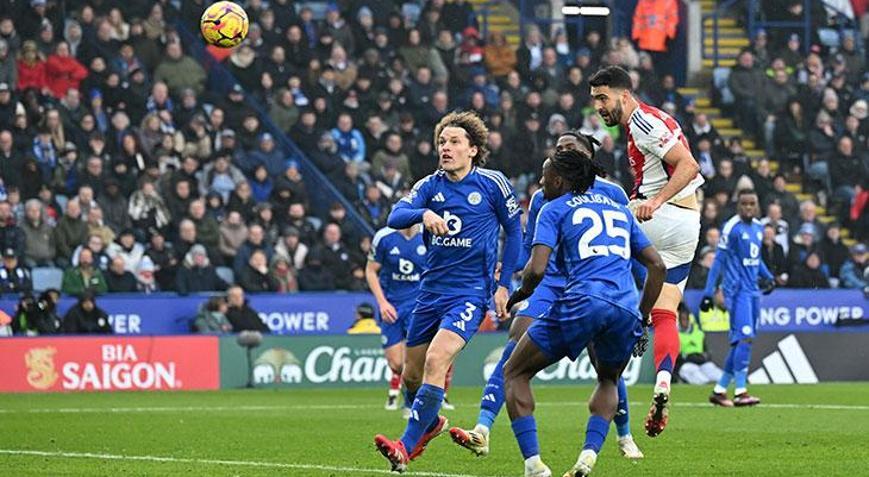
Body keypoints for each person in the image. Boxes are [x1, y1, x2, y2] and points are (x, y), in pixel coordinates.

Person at [449, 131, 644, 460]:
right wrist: (512, 279)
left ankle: (624, 435)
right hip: (552, 280)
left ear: (586, 156)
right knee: (516, 337)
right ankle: (482, 428)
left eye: (570, 149)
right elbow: (532, 251)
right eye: (559, 149)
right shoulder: (544, 196)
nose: (562, 153)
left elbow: (629, 248)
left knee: (603, 360)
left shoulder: (613, 193)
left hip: (591, 280)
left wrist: (638, 298)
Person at [498, 150, 665, 477]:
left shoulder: (552, 208)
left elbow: (537, 270)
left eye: (545, 175)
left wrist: (521, 293)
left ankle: (534, 467)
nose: (541, 181)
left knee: (514, 373)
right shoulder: (619, 210)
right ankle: (588, 457)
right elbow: (657, 266)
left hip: (584, 299)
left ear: (560, 180)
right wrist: (642, 316)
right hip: (626, 306)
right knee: (609, 379)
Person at [374, 111, 523, 472]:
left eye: (454, 142)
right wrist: (422, 214)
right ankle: (432, 423)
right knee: (411, 375)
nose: (446, 147)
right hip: (430, 291)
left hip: (470, 292)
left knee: (437, 360)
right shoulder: (429, 186)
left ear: (473, 149)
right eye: (442, 141)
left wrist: (504, 286)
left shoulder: (492, 184)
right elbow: (395, 215)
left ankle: (405, 448)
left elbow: (515, 233)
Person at [589, 65, 703, 437]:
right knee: (666, 311)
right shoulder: (652, 119)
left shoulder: (643, 122)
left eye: (603, 98)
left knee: (593, 230)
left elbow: (688, 164)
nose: (599, 107)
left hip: (660, 215)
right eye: (595, 100)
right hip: (688, 226)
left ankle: (607, 316)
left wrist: (654, 200)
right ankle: (664, 383)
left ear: (624, 94)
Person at [702, 190, 775, 408]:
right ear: (738, 206)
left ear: (758, 205)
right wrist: (708, 293)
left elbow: (756, 258)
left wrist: (768, 276)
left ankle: (719, 390)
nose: (748, 208)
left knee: (744, 340)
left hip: (752, 291)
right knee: (744, 338)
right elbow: (718, 262)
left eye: (752, 203)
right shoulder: (731, 227)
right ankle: (741, 391)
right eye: (744, 204)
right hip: (736, 291)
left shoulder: (759, 227)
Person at [366, 224, 426, 415]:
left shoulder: (430, 234)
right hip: (391, 306)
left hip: (419, 305)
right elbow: (370, 270)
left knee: (417, 360)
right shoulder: (384, 237)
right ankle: (414, 394)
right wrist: (382, 303)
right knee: (397, 364)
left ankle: (414, 403)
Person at [676, 303, 723, 385]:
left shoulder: (698, 333)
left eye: (686, 319)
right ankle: (706, 384)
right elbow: (676, 357)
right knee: (690, 370)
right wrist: (687, 357)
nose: (685, 321)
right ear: (679, 320)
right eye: (682, 319)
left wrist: (702, 357)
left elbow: (706, 352)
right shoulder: (675, 334)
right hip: (685, 363)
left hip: (701, 362)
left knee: (710, 367)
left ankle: (727, 381)